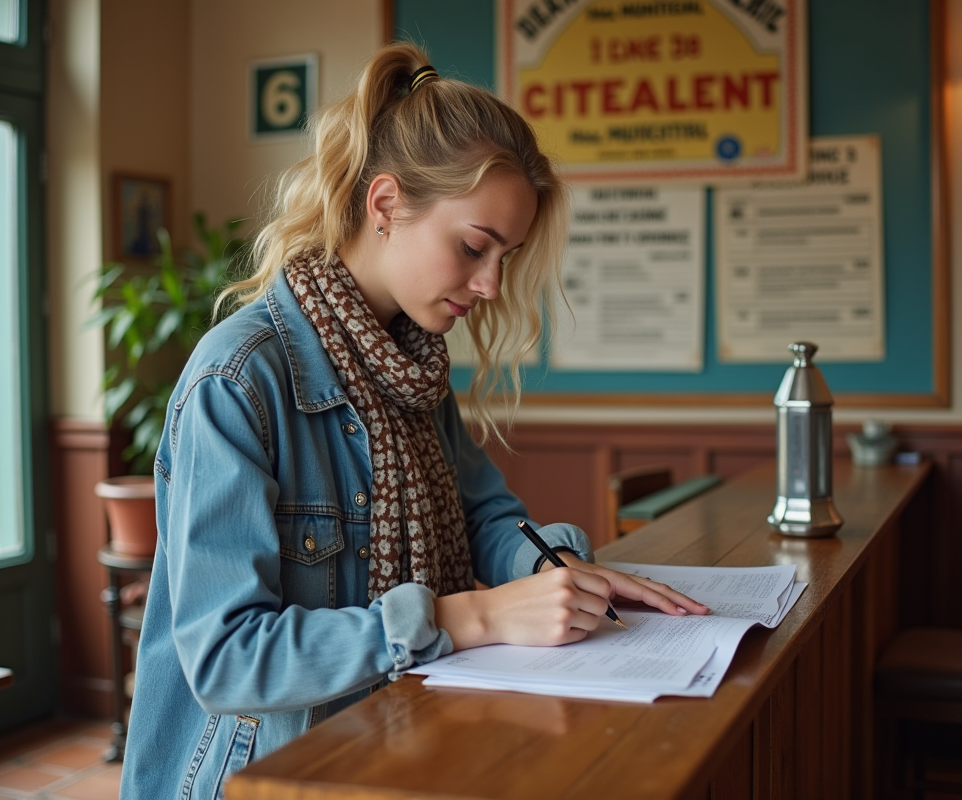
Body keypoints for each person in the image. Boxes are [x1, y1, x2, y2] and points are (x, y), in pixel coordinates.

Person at [118, 42, 708, 799]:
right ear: (387, 206)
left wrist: (553, 571)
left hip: (398, 738)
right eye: (474, 247)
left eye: (506, 257)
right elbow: (228, 659)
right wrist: (471, 617)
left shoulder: (414, 362)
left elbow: (484, 516)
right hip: (269, 776)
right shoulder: (239, 379)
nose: (491, 284)